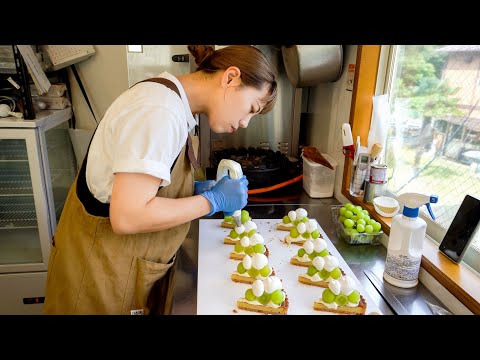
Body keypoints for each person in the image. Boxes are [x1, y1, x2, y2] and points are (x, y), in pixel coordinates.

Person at [43, 45, 278, 315]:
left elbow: (144, 188)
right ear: (230, 77)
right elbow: (128, 216)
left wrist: (193, 191)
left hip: (121, 269)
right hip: (97, 277)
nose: (246, 122)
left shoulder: (171, 103)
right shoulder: (159, 112)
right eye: (251, 108)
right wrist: (211, 201)